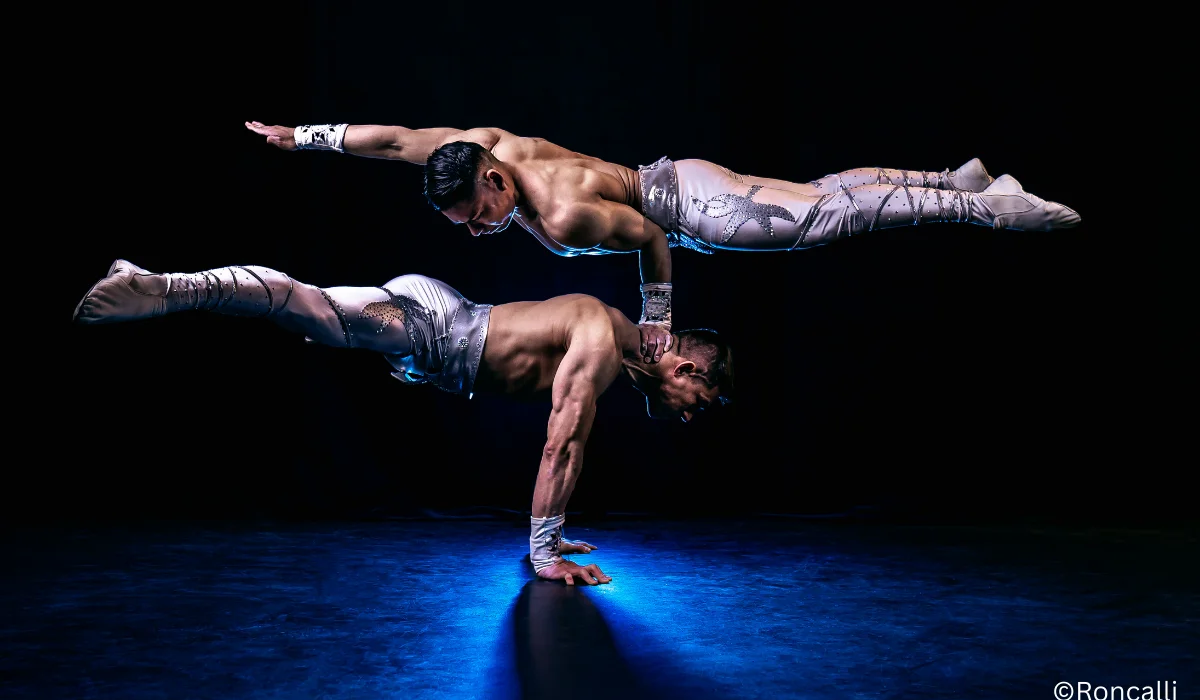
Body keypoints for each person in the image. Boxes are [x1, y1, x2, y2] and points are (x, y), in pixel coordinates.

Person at [73, 259, 734, 586]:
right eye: (697, 402)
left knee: (311, 313)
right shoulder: (600, 336)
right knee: (302, 304)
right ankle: (163, 285)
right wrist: (542, 550)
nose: (689, 415)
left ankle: (173, 287)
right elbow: (563, 443)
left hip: (440, 334)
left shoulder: (614, 349)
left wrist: (552, 537)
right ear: (682, 370)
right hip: (433, 325)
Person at [245, 120, 1081, 362]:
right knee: (824, 197)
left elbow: (648, 237)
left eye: (477, 215)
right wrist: (305, 137)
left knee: (828, 218)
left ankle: (986, 209)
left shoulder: (562, 213)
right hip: (682, 177)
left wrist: (654, 319)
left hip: (691, 210)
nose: (476, 231)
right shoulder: (474, 144)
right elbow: (394, 143)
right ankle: (954, 180)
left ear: (495, 182)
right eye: (463, 226)